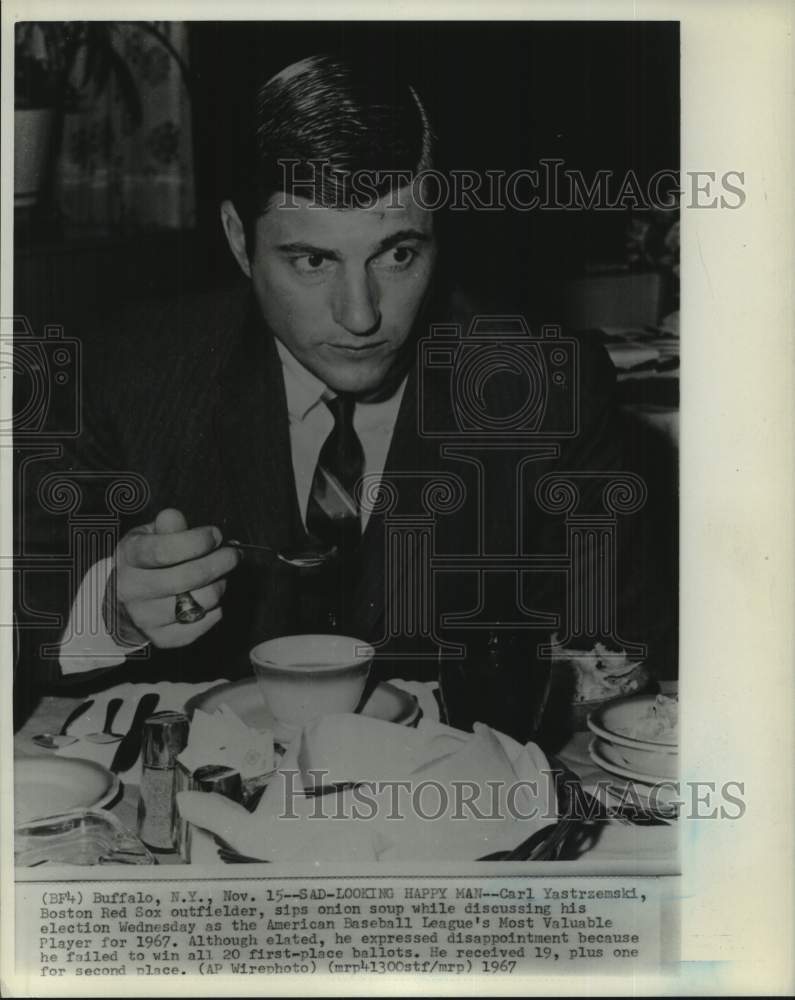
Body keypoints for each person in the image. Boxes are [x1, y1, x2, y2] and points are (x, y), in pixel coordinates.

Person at [16, 54, 675, 731]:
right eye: (311, 260)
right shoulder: (128, 373)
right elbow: (24, 624)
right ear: (240, 242)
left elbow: (614, 654)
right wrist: (115, 612)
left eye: (396, 254)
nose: (359, 316)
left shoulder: (544, 389)